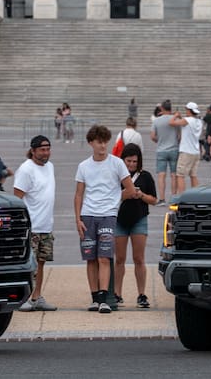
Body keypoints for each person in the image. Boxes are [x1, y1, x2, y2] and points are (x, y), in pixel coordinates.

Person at [74, 124, 134, 313]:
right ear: (91, 143)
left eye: (105, 142)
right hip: (88, 214)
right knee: (90, 258)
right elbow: (78, 194)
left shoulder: (117, 163)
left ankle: (104, 298)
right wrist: (77, 219)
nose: (102, 146)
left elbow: (130, 188)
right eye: (99, 142)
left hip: (108, 215)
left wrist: (115, 201)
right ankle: (95, 298)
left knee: (104, 257)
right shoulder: (83, 166)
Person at [15, 135, 58, 312]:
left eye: (48, 149)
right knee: (28, 265)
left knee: (41, 262)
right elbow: (17, 198)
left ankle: (36, 297)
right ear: (33, 151)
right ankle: (22, 297)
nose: (46, 153)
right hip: (31, 226)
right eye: (42, 149)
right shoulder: (26, 170)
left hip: (46, 225)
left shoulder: (50, 167)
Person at [113, 143, 157, 309]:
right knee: (120, 259)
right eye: (128, 161)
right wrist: (125, 195)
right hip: (119, 220)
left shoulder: (145, 176)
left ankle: (141, 293)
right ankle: (117, 293)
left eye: (134, 161)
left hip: (139, 219)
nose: (131, 165)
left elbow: (154, 199)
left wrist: (140, 195)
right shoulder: (117, 176)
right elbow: (110, 196)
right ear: (122, 160)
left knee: (139, 258)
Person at [170, 102, 204, 195]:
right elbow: (186, 124)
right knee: (193, 175)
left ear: (189, 110)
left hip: (186, 151)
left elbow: (171, 123)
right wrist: (181, 118)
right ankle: (196, 195)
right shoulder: (199, 121)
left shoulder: (187, 120)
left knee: (180, 175)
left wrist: (175, 115)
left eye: (186, 110)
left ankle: (182, 196)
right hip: (196, 151)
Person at [151, 98, 180, 205]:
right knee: (174, 175)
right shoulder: (175, 120)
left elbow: (153, 136)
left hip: (161, 150)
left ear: (162, 108)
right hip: (174, 149)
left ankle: (162, 198)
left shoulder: (156, 121)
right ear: (171, 109)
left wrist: (159, 141)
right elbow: (179, 136)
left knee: (161, 175)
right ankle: (173, 198)